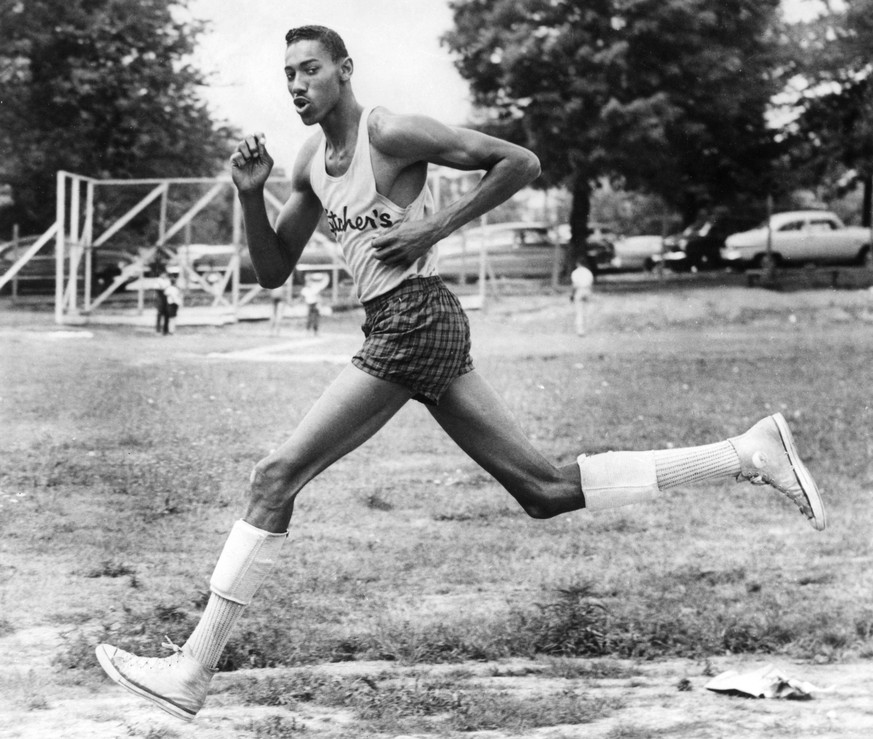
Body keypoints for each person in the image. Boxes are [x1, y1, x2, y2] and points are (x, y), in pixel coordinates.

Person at [95, 24, 827, 722]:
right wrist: (249, 194)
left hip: (415, 319)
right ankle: (743, 453)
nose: (296, 83)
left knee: (273, 475)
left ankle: (192, 667)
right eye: (286, 73)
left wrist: (434, 226)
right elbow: (271, 270)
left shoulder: (390, 132)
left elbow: (520, 162)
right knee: (541, 490)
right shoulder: (308, 165)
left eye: (309, 68)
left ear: (344, 71)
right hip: (402, 325)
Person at [570, 258, 595, 336]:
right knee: (587, 310)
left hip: (579, 290)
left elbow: (574, 285)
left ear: (578, 264)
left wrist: (572, 294)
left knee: (579, 311)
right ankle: (587, 327)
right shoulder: (588, 272)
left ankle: (580, 330)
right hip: (587, 290)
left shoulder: (575, 272)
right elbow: (591, 284)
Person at [154, 270, 170, 335]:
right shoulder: (158, 280)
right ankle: (158, 329)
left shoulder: (167, 280)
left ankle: (165, 329)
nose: (164, 275)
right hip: (160, 297)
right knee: (160, 313)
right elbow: (158, 289)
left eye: (165, 274)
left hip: (167, 297)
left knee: (167, 314)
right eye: (163, 274)